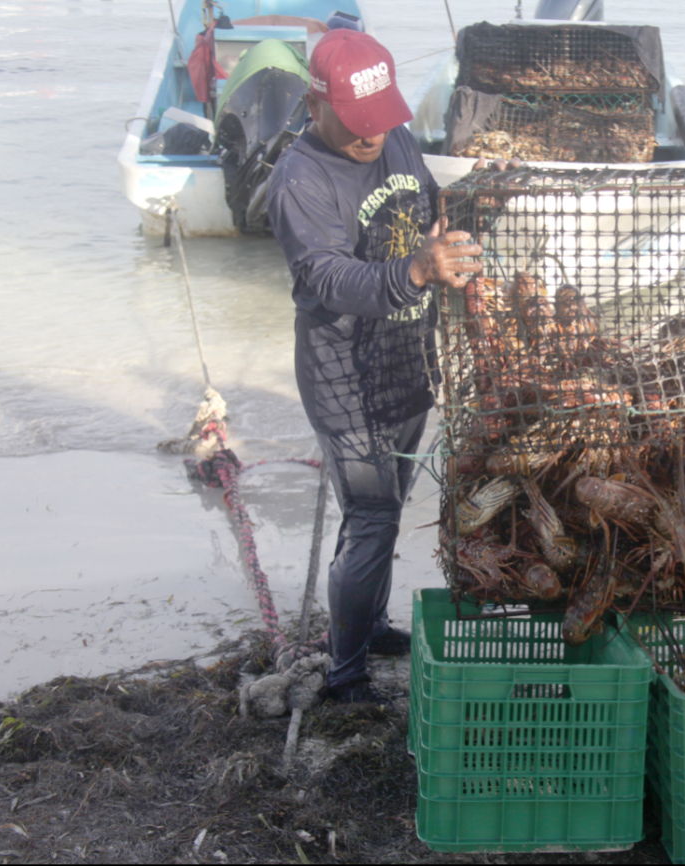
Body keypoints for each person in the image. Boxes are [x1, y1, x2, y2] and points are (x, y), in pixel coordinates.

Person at [267, 29, 483, 704]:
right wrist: (418, 268)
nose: (372, 138)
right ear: (314, 102)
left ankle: (368, 624)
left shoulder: (392, 136)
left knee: (384, 504)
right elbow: (327, 278)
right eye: (358, 125)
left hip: (404, 358)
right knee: (371, 515)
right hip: (342, 375)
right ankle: (345, 671)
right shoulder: (298, 180)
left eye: (382, 121)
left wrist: (446, 235)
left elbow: (420, 203)